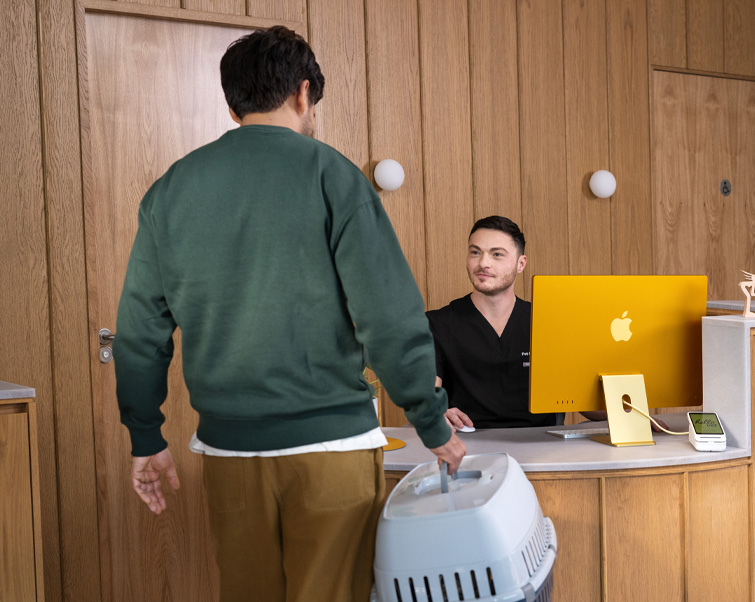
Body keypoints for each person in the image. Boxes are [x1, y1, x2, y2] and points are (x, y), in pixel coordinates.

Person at [113, 26, 464, 602]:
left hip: (229, 454)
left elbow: (139, 334)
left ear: (232, 105)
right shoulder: (334, 176)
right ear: (303, 94)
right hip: (330, 450)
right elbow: (387, 315)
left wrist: (145, 436)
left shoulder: (171, 191)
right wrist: (430, 418)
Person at [426, 216, 606, 429]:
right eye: (475, 252)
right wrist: (436, 410)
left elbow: (588, 407)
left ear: (521, 263)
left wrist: (627, 409)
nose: (483, 263)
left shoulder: (549, 323)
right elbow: (428, 396)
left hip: (543, 447)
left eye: (497, 254)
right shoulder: (436, 324)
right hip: (468, 447)